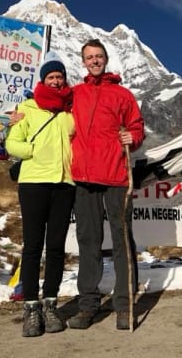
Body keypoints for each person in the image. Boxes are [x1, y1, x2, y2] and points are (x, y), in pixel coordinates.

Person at [67, 39, 145, 331]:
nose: (95, 61)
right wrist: (19, 115)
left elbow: (137, 126)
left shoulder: (123, 95)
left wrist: (133, 138)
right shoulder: (75, 93)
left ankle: (124, 305)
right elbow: (48, 108)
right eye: (90, 57)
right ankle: (88, 306)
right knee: (88, 241)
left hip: (116, 176)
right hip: (84, 178)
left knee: (122, 240)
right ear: (83, 61)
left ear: (106, 59)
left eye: (99, 56)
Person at [5, 50, 75, 338]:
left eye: (60, 77)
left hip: (64, 183)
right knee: (33, 246)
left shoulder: (71, 111)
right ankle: (31, 307)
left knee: (56, 247)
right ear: (43, 80)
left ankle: (51, 303)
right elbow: (12, 143)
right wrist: (33, 150)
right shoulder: (27, 108)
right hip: (33, 183)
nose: (56, 81)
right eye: (51, 77)